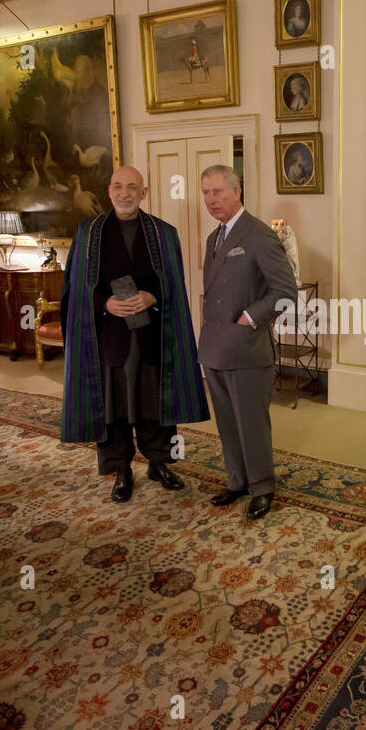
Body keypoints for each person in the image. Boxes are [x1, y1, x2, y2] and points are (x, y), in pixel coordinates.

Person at [60, 166, 208, 502]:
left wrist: (153, 295)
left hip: (154, 337)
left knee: (157, 404)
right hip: (108, 341)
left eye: (131, 187)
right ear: (108, 191)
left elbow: (172, 283)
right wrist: (105, 303)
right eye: (117, 186)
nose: (124, 193)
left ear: (144, 192)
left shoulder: (164, 233)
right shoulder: (88, 232)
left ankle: (160, 463)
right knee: (113, 407)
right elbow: (77, 288)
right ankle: (121, 470)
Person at [198, 165, 297, 520]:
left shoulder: (258, 235)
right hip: (215, 347)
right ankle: (237, 481)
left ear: (237, 192)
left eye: (218, 192)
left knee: (251, 423)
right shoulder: (214, 238)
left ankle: (262, 486)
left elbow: (286, 293)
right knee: (226, 422)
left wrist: (250, 317)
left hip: (247, 347)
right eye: (206, 192)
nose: (211, 200)